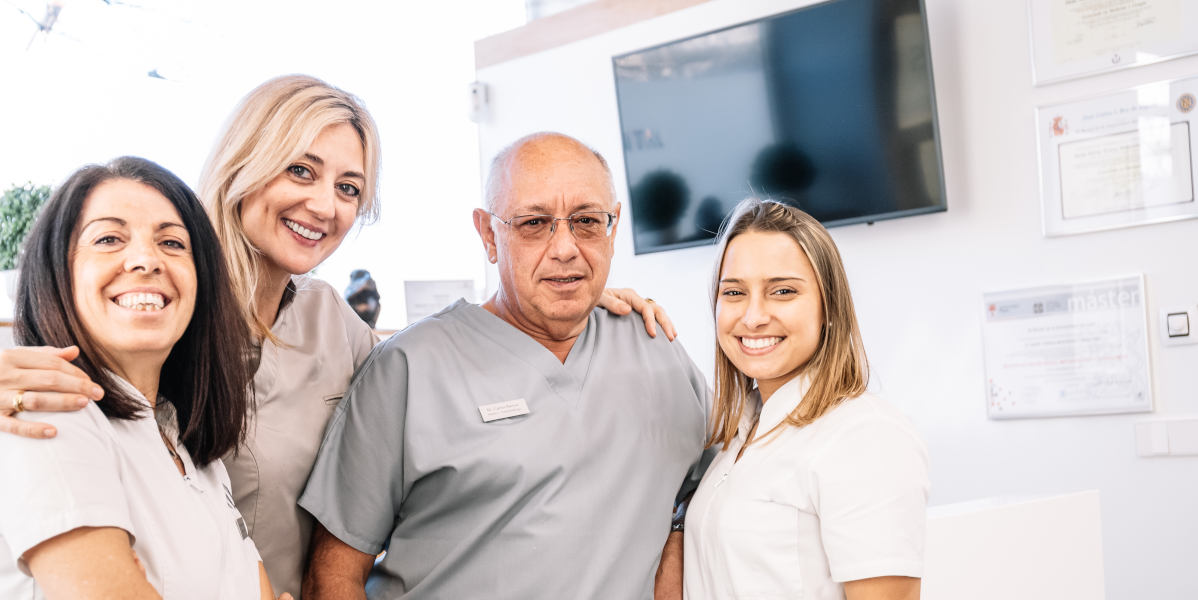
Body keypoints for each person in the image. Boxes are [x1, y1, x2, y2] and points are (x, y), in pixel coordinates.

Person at [0, 76, 673, 597]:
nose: (324, 205)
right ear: (243, 165)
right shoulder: (158, 319)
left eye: (348, 187)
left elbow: (448, 378)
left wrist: (574, 299)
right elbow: (59, 336)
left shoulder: (336, 328)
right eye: (300, 170)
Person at [298, 132, 710, 599]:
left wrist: (675, 543)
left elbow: (722, 475)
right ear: (488, 235)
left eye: (587, 221)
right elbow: (333, 574)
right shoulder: (410, 369)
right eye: (534, 223)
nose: (565, 248)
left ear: (613, 229)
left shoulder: (655, 345)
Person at [0, 157, 276, 598]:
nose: (146, 260)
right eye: (109, 238)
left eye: (172, 243)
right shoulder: (48, 410)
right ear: (57, 273)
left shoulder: (188, 448)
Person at [683, 198, 928, 600]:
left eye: (782, 291)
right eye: (734, 292)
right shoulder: (739, 436)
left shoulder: (865, 437)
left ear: (828, 307)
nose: (754, 316)